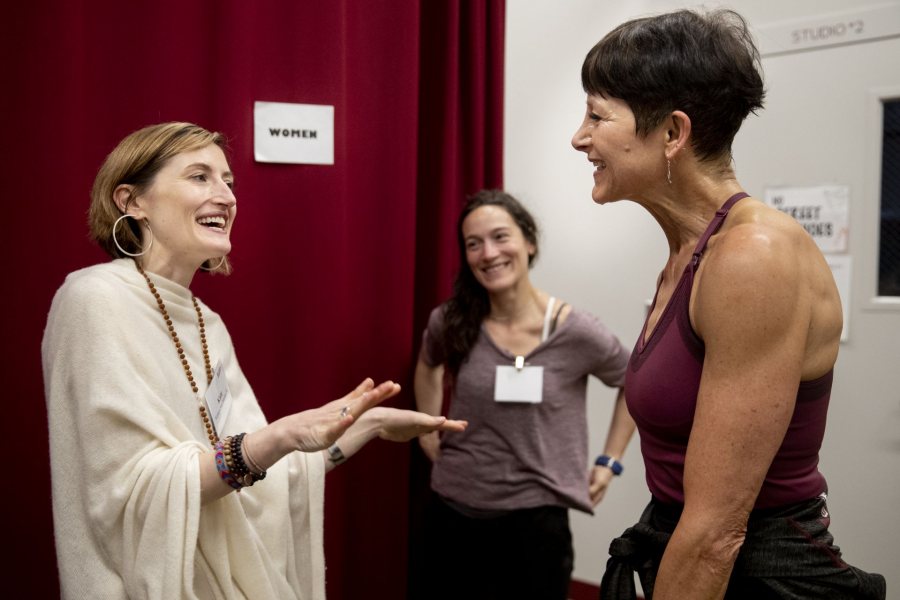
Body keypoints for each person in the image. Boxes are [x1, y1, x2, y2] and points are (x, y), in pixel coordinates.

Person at [42, 121, 467, 600]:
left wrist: (367, 426)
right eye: (200, 176)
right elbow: (123, 496)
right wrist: (279, 435)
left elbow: (261, 473)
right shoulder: (94, 300)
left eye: (228, 182)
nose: (225, 196)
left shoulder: (209, 324)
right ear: (131, 201)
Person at [571, 9, 886, 599]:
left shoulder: (752, 256)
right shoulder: (689, 253)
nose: (579, 137)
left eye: (596, 115)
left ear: (672, 133)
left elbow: (717, 531)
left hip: (757, 577)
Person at [413, 189, 635, 599]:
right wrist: (427, 429)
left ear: (529, 242)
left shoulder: (576, 331)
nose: (488, 253)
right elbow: (429, 365)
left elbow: (634, 382)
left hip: (537, 526)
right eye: (473, 244)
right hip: (453, 515)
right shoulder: (453, 319)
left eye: (501, 237)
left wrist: (610, 462)